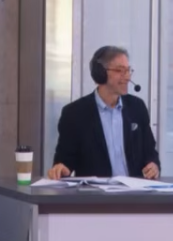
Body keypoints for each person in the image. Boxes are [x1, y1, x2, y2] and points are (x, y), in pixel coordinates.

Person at [47, 45, 160, 180]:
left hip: (134, 193)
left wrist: (153, 165)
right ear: (100, 73)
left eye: (128, 70)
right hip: (95, 197)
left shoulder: (137, 107)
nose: (127, 77)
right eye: (120, 70)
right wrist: (62, 168)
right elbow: (64, 160)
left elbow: (150, 151)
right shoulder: (74, 114)